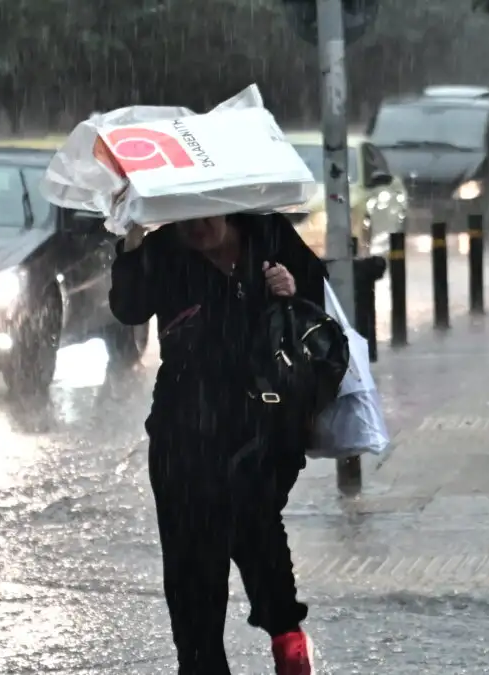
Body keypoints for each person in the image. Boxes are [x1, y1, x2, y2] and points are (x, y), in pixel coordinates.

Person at [108, 212, 325, 675]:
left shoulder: (268, 234)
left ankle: (287, 639)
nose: (197, 227)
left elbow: (317, 316)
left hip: (262, 426)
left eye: (205, 215)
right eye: (186, 218)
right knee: (191, 565)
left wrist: (290, 292)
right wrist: (128, 244)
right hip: (183, 430)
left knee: (257, 533)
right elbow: (128, 308)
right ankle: (201, 662)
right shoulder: (164, 249)